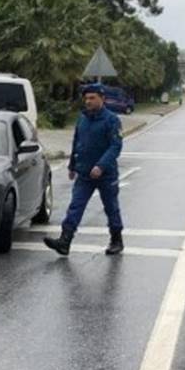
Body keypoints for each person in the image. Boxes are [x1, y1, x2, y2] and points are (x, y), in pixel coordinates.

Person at [43, 83, 125, 256]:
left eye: (92, 98)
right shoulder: (83, 118)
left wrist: (101, 166)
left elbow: (115, 146)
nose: (88, 101)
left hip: (106, 174)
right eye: (86, 98)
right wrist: (73, 165)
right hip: (85, 174)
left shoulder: (112, 120)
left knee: (111, 207)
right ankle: (65, 241)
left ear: (102, 99)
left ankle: (116, 239)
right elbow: (77, 143)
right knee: (75, 206)